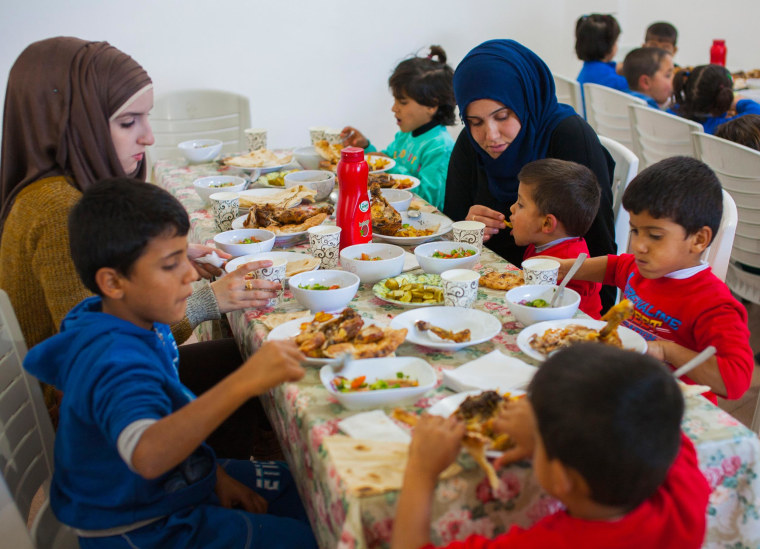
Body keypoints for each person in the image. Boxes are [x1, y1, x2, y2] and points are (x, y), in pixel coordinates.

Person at [0, 37, 277, 458]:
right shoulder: (58, 209)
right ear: (71, 123)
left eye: (145, 118)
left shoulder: (58, 191)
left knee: (246, 356)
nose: (148, 137)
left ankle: (226, 481)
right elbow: (109, 341)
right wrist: (209, 299)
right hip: (96, 426)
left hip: (103, 396)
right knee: (257, 370)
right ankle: (210, 499)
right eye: (129, 123)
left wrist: (156, 263)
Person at [23, 178, 317, 548]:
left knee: (303, 485)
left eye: (185, 256)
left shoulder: (127, 317)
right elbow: (147, 455)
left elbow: (167, 416)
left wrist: (215, 476)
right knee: (307, 538)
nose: (191, 274)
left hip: (173, 482)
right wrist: (245, 381)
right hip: (142, 526)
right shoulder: (115, 361)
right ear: (113, 282)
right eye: (170, 264)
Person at [391, 344, 710, 549]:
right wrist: (552, 434)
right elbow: (649, 414)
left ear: (560, 478)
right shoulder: (685, 499)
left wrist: (421, 470)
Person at [550, 157, 754, 403]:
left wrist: (666, 350)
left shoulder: (714, 304)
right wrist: (560, 269)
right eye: (635, 230)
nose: (638, 245)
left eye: (655, 236)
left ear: (699, 239)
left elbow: (736, 380)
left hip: (672, 404)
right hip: (626, 383)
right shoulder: (643, 269)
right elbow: (615, 267)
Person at [444, 39, 617, 309]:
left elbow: (600, 246)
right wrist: (468, 228)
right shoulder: (471, 143)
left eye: (502, 116)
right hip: (494, 290)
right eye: (475, 122)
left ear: (525, 101)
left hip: (560, 304)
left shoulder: (569, 138)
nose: (490, 136)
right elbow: (451, 226)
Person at [341, 46, 455, 210]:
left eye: (402, 102)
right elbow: (388, 159)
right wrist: (365, 147)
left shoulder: (440, 147)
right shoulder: (406, 134)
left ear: (432, 104)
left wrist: (392, 167)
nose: (394, 108)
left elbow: (431, 200)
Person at [510, 159, 602, 317]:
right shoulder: (544, 241)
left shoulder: (568, 268)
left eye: (520, 204)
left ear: (547, 223)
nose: (512, 208)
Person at [670, 64, 760, 134]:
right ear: (724, 98)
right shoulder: (723, 128)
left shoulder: (671, 114)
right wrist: (738, 101)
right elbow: (756, 112)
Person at [575, 14, 629, 93]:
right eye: (616, 41)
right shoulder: (616, 81)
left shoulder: (589, 68)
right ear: (608, 45)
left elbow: (614, 66)